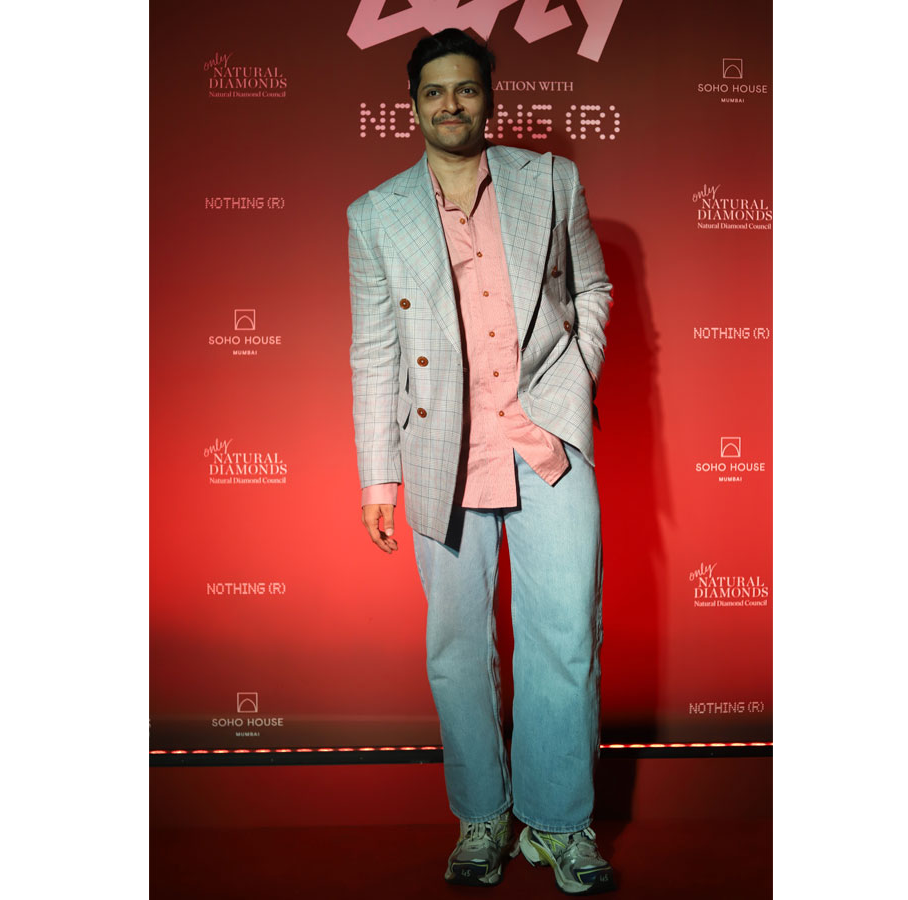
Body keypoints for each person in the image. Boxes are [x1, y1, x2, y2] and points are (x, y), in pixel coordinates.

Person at [346, 27, 616, 895]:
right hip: (442, 454)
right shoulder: (375, 215)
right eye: (434, 92)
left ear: (487, 98)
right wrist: (378, 478)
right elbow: (374, 353)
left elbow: (592, 286)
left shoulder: (552, 179)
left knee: (565, 638)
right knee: (458, 647)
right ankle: (482, 817)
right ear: (414, 105)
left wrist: (574, 378)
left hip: (545, 444)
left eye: (465, 89)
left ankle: (559, 824)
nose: (451, 104)